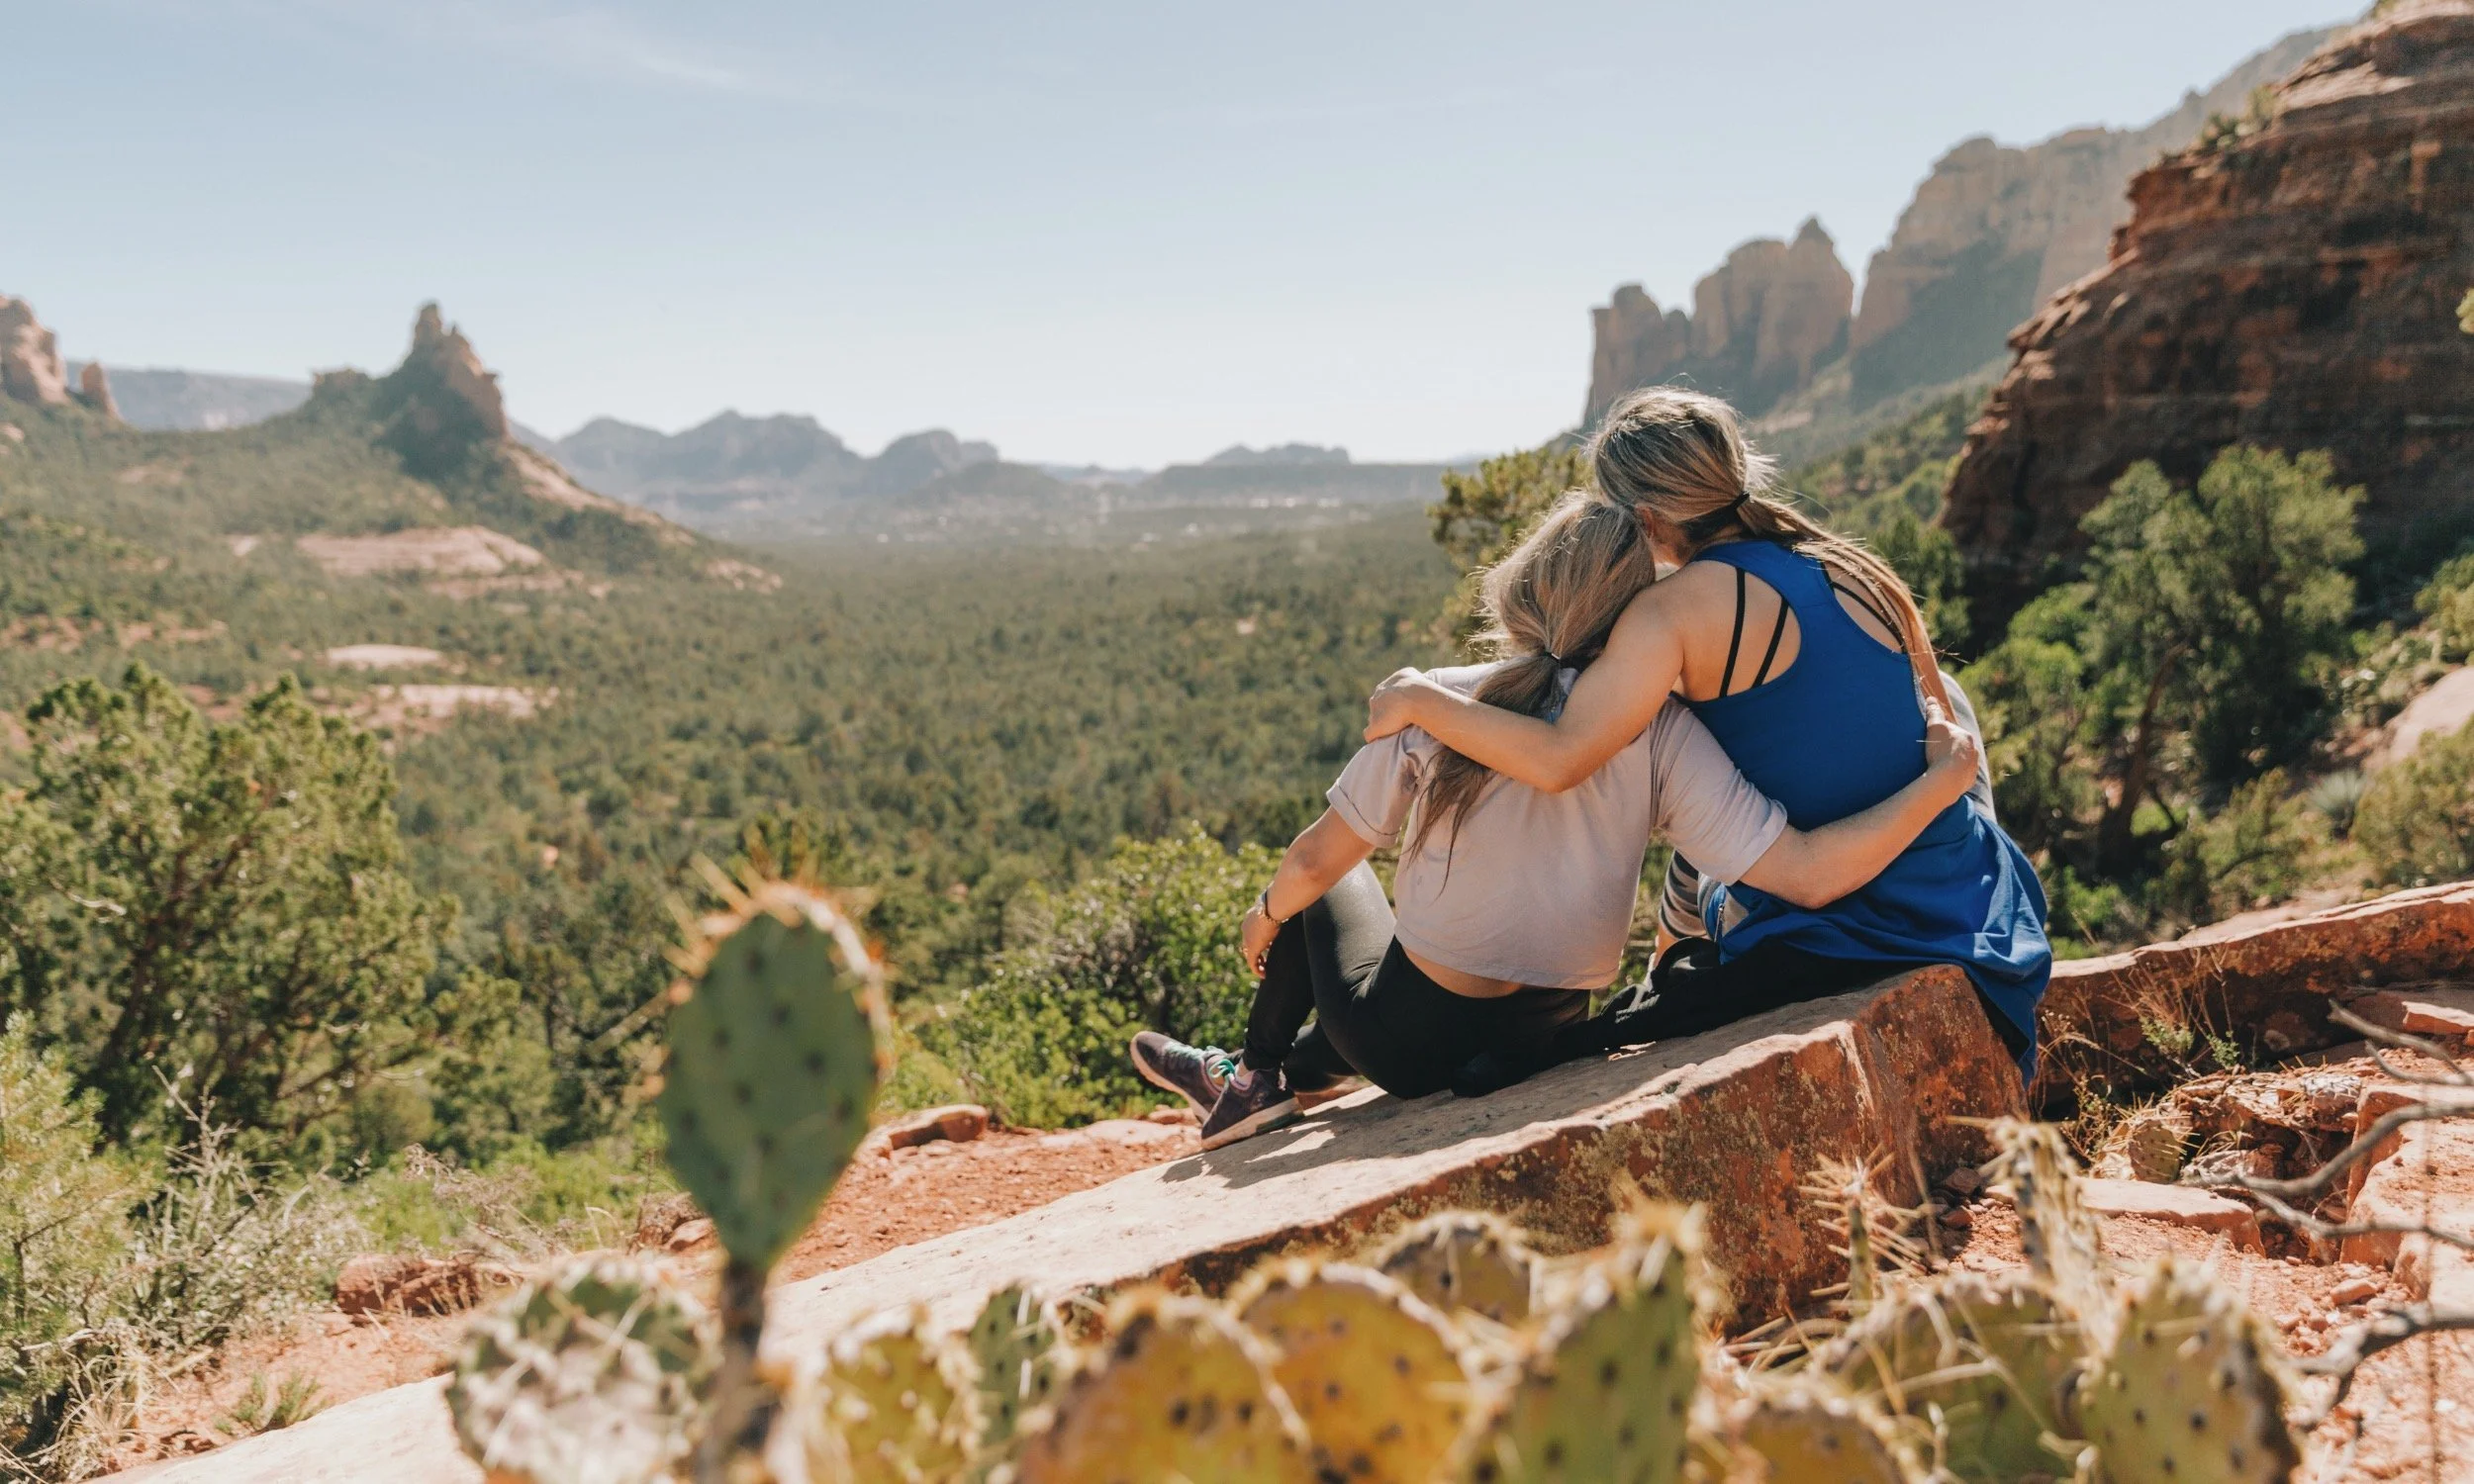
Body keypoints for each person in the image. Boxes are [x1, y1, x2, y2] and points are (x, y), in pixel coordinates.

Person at [1131, 489, 1987, 1151]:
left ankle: (1251, 1080)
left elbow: (1317, 863)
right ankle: (1281, 1073)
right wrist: (1938, 786)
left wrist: (1266, 914)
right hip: (1541, 1037)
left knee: (1331, 884)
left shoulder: (1442, 702)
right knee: (1380, 965)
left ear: (1529, 591)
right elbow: (1803, 870)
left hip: (1406, 1046)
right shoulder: (1663, 731)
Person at [1363, 388, 2050, 1092]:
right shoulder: (1852, 564)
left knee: (1698, 812)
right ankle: (1668, 963)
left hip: (1852, 921)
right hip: (1970, 896)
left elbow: (1561, 758)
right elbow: (1917, 723)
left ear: (1645, 519)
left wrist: (1421, 697)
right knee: (1711, 803)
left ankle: (1665, 964)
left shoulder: (1670, 613)